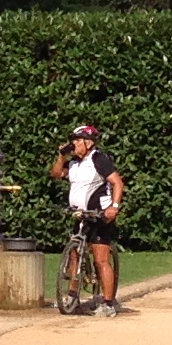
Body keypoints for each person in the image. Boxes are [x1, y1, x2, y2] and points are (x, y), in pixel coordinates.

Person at [58, 121, 126, 316]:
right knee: (74, 254)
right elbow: (56, 173)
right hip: (81, 215)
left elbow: (117, 183)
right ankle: (72, 295)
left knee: (101, 259)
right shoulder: (74, 163)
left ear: (88, 143)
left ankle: (108, 302)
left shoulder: (99, 159)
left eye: (77, 141)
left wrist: (114, 207)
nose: (74, 144)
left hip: (99, 215)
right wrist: (61, 156)